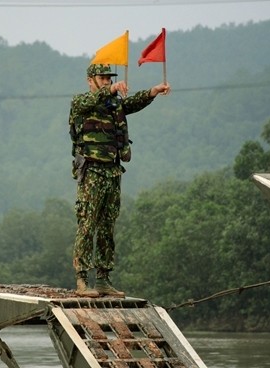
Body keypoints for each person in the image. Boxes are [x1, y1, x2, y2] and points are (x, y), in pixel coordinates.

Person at [69, 63, 171, 297]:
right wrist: (112, 89)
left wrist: (152, 92)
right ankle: (82, 280)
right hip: (91, 172)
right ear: (90, 80)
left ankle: (103, 279)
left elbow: (132, 103)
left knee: (107, 226)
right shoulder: (81, 102)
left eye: (109, 78)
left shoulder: (113, 104)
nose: (106, 81)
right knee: (87, 224)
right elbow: (89, 102)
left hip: (112, 171)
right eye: (102, 78)